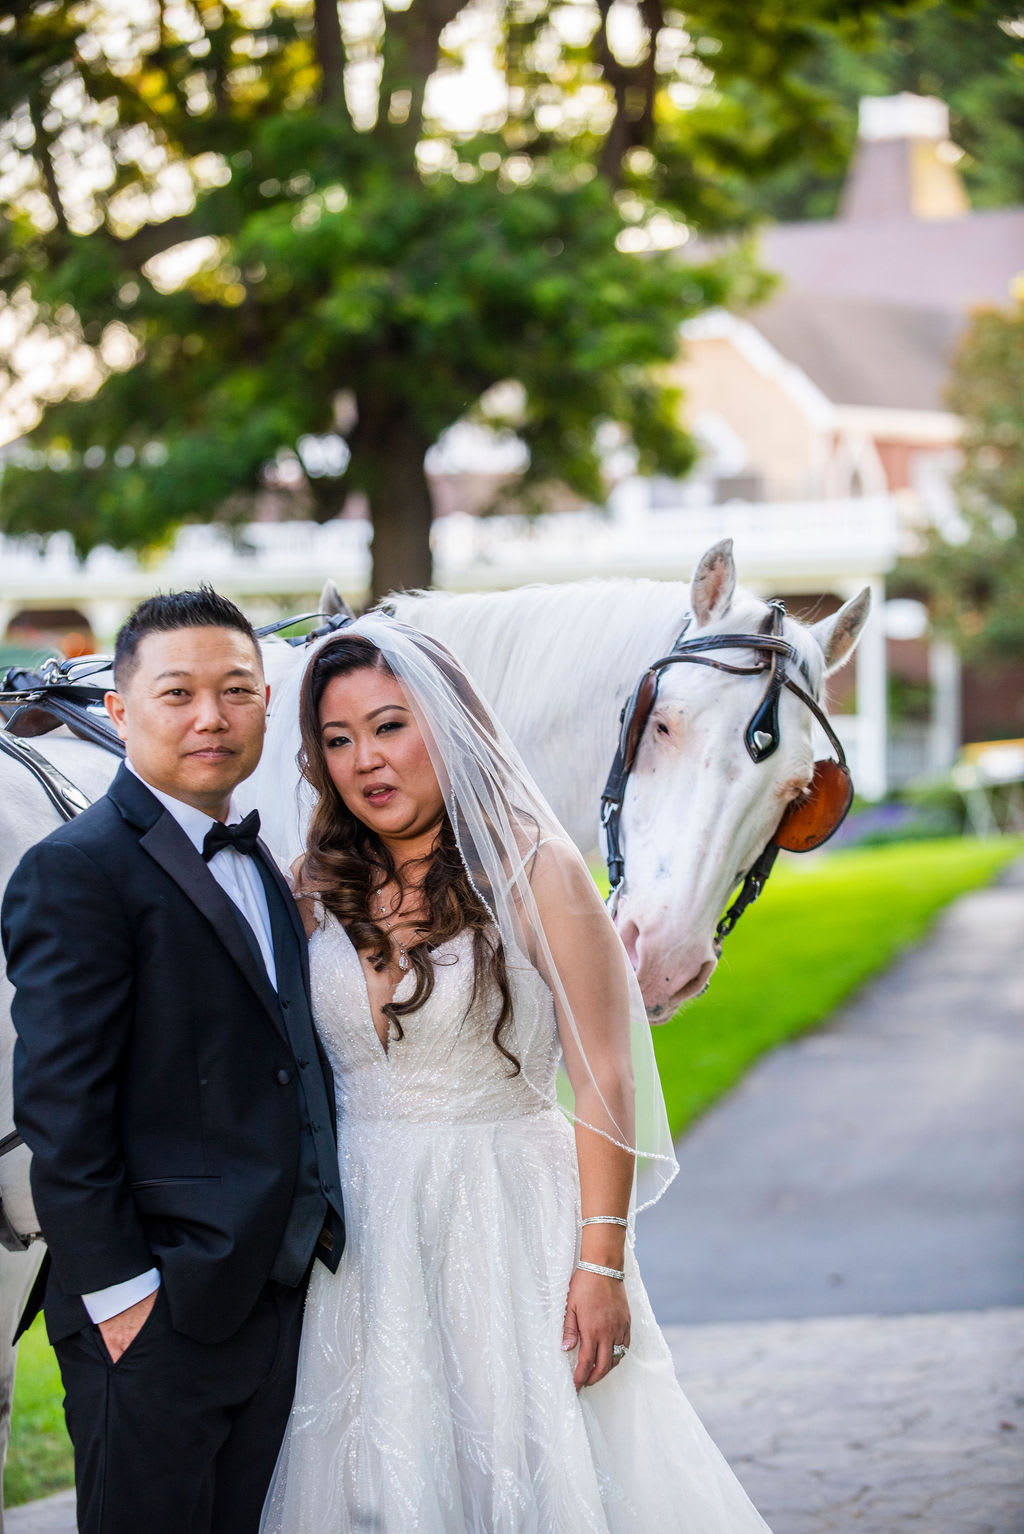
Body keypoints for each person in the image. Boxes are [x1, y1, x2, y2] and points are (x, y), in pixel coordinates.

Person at [258, 616, 771, 1533]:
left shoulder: (536, 870)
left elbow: (605, 1071)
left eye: (389, 725)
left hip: (505, 1215)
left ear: (448, 725)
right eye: (337, 740)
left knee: (528, 1470)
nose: (366, 760)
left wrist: (601, 1262)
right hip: (364, 1233)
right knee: (376, 1480)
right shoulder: (310, 884)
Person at [1, 588, 345, 1534]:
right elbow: (61, 1113)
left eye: (237, 691)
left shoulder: (264, 862)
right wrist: (124, 1302)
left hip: (271, 1296)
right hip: (153, 1316)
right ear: (119, 711)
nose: (210, 717)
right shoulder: (75, 870)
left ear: (267, 704)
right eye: (178, 692)